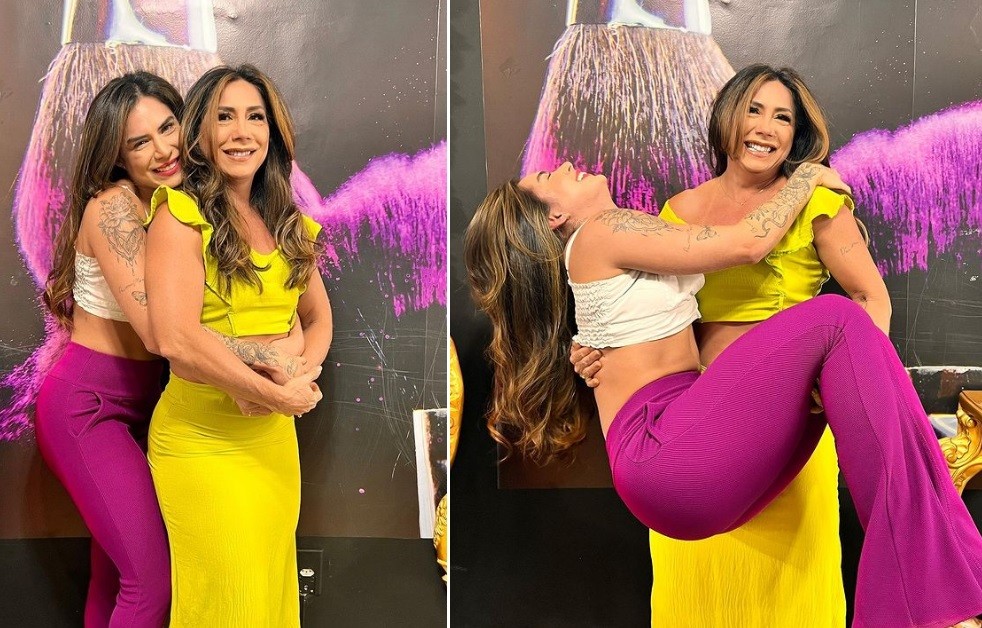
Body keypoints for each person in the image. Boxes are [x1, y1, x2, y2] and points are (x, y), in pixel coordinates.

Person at [464, 161, 982, 627]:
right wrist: (807, 176)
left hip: (675, 463)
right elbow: (748, 243)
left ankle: (932, 597)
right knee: (836, 319)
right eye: (549, 177)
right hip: (664, 451)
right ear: (555, 217)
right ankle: (924, 602)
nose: (565, 165)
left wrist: (585, 348)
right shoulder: (603, 230)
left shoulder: (594, 256)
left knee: (831, 376)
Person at [571, 64, 890, 626]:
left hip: (786, 424)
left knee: (791, 597)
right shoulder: (678, 212)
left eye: (783, 117)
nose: (766, 127)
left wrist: (837, 382)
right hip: (695, 433)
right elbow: (645, 314)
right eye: (754, 110)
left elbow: (871, 302)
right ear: (727, 118)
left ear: (796, 134)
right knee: (696, 593)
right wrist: (597, 348)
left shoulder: (819, 203)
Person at [35, 71, 315, 628]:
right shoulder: (114, 207)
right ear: (117, 157)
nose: (164, 150)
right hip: (88, 409)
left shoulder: (188, 206)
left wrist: (287, 343)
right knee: (150, 581)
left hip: (149, 404)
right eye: (139, 142)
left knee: (114, 576)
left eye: (168, 128)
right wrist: (271, 357)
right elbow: (164, 332)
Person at [145, 64, 332, 626]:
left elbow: (318, 318)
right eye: (224, 117)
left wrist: (297, 375)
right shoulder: (178, 213)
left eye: (255, 117)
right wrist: (268, 391)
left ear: (272, 131)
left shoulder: (288, 222)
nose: (241, 132)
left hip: (274, 442)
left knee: (267, 600)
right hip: (202, 443)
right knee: (227, 604)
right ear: (200, 131)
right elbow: (176, 338)